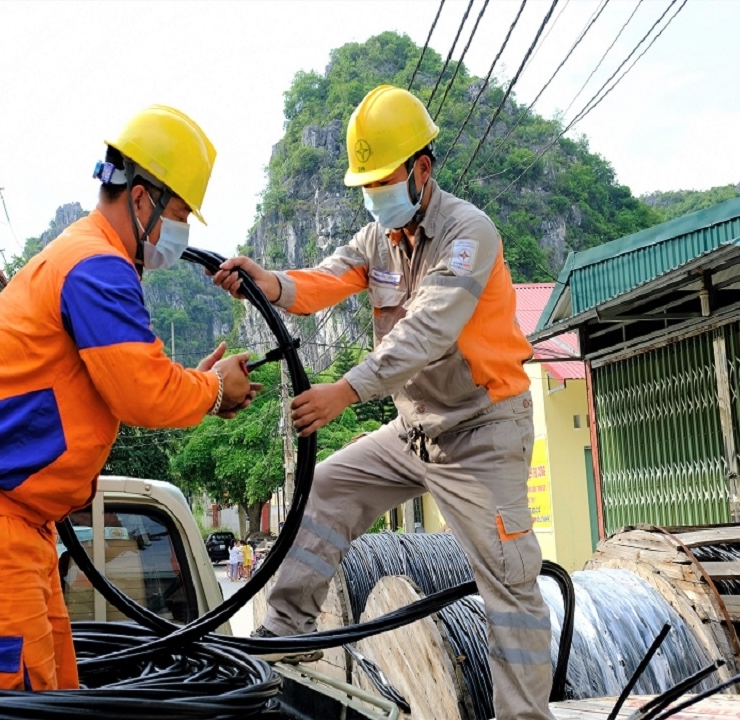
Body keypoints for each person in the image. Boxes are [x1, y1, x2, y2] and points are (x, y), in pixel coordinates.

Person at [214, 85, 552, 720]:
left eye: (385, 179)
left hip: (482, 432)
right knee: (326, 488)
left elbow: (426, 332)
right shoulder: (378, 241)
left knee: (509, 582)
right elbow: (324, 279)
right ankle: (283, 638)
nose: (376, 195)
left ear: (423, 167)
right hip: (415, 430)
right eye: (366, 185)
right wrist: (271, 282)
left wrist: (345, 391)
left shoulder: (466, 233)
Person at [0, 104, 259, 692]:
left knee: (57, 697)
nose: (180, 233)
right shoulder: (96, 266)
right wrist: (216, 388)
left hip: (11, 525)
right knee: (14, 705)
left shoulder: (85, 258)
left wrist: (196, 385)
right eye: (176, 213)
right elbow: (143, 392)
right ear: (141, 200)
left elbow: (131, 377)